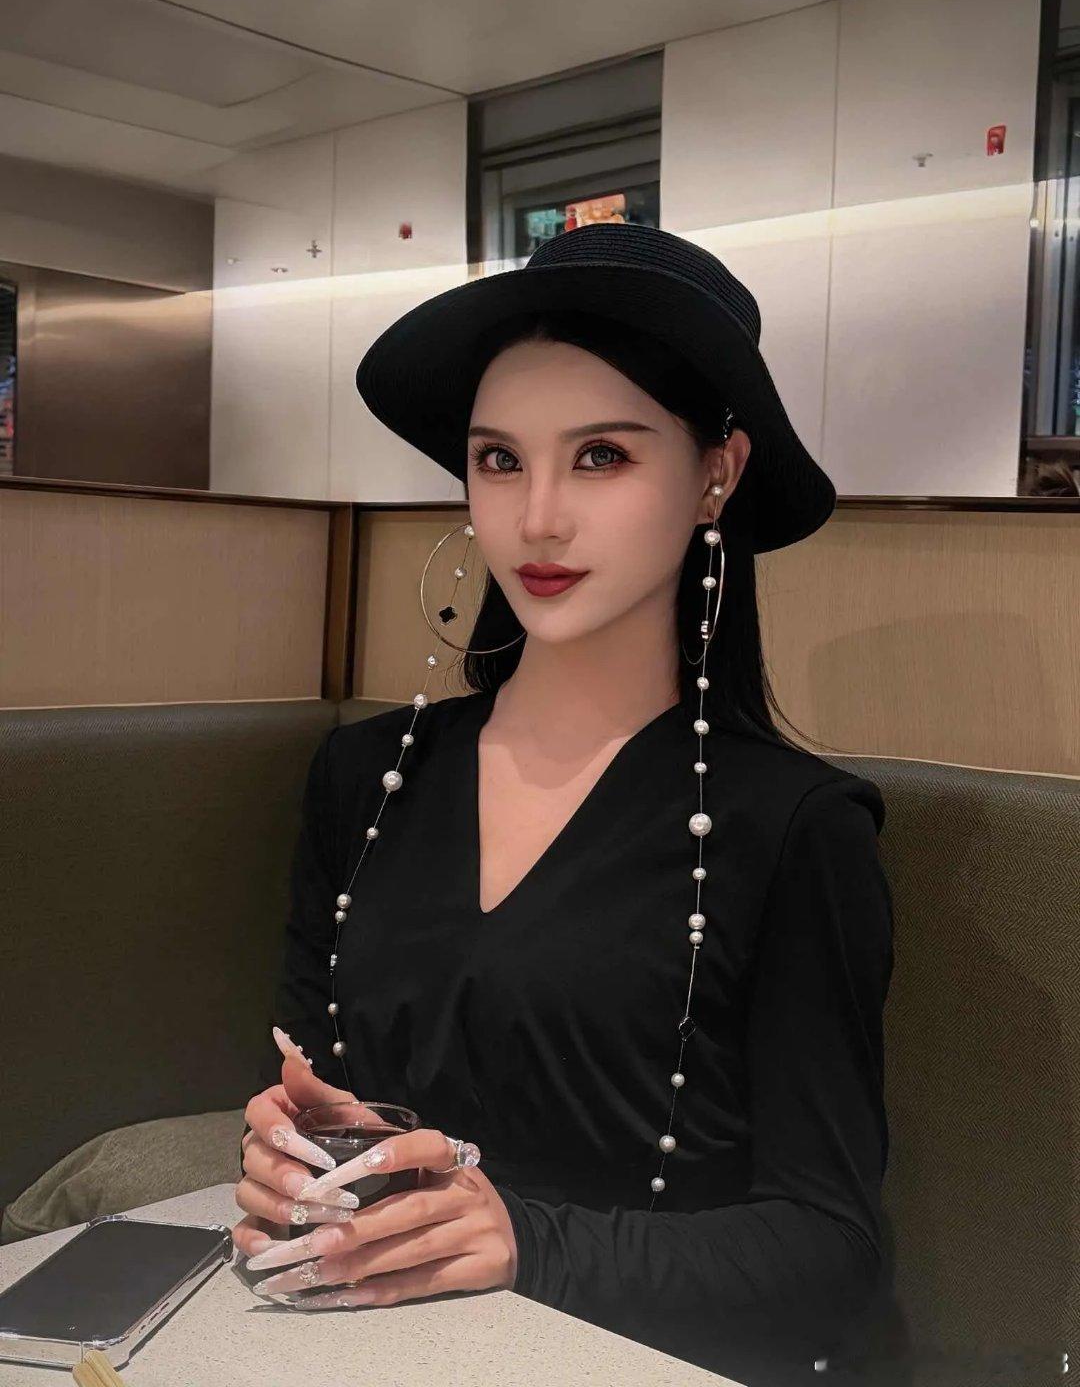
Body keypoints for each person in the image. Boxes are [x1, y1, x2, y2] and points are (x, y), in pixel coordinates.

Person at [231, 224, 896, 1387]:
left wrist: (524, 1243)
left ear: (717, 473)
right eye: (498, 460)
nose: (536, 517)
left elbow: (828, 1247)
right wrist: (293, 1159)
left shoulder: (794, 829)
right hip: (375, 1347)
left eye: (600, 456)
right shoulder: (367, 776)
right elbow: (310, 1082)